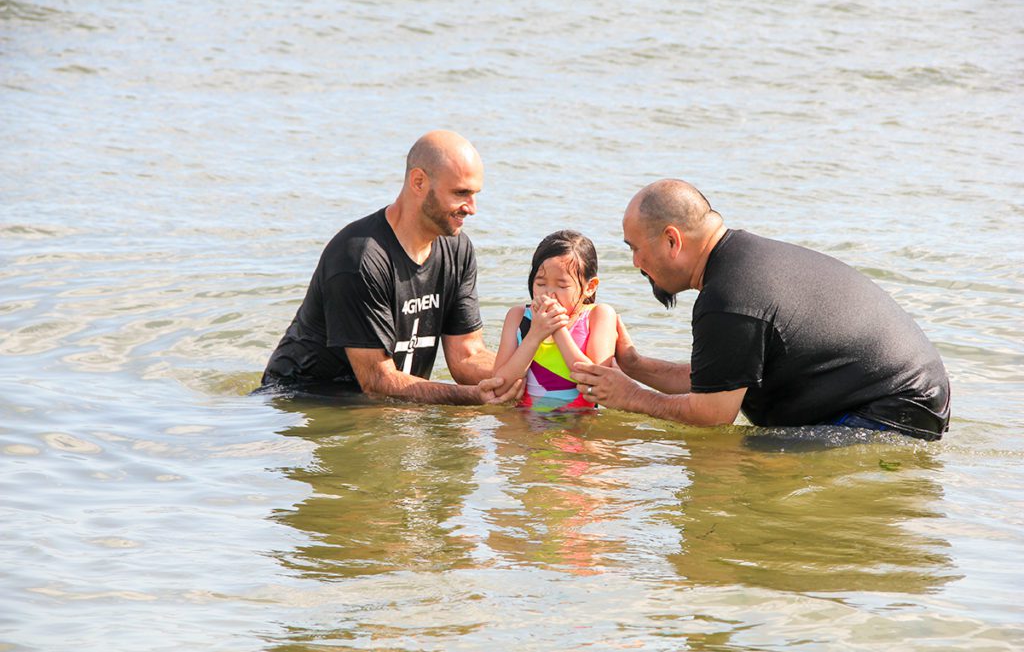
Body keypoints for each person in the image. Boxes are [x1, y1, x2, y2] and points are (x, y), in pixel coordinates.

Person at [570, 179, 951, 440]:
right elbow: (720, 381)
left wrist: (631, 397)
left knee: (736, 459)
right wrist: (634, 367)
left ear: (672, 240)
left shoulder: (729, 298)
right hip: (907, 401)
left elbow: (713, 415)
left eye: (635, 248)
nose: (636, 262)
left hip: (889, 414)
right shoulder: (739, 267)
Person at [259, 130, 520, 405]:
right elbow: (377, 382)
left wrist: (532, 374)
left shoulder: (457, 250)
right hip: (305, 401)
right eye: (461, 193)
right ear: (418, 182)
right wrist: (471, 398)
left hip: (389, 402)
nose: (472, 208)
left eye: (475, 194)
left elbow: (467, 355)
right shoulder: (359, 258)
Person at [492, 230, 617, 412]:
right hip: (526, 422)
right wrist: (534, 336)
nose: (549, 294)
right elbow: (498, 387)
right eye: (541, 284)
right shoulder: (518, 317)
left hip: (580, 422)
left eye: (562, 285)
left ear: (590, 287)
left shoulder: (598, 316)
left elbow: (597, 384)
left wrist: (558, 330)